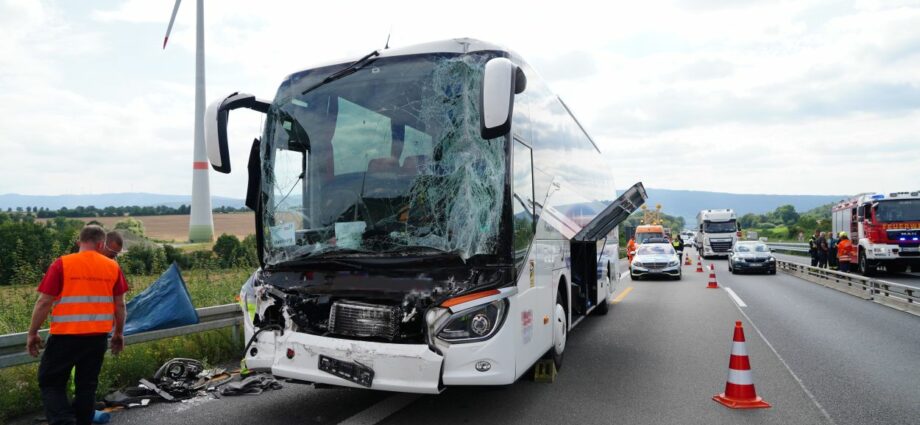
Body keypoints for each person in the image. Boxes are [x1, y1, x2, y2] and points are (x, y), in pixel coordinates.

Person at [27, 225, 129, 425]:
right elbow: (120, 304)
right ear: (101, 244)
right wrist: (118, 333)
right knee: (86, 386)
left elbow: (44, 302)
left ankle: (64, 421)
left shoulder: (62, 264)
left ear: (79, 242)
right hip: (97, 339)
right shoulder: (112, 267)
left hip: (65, 337)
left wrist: (33, 333)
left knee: (51, 382)